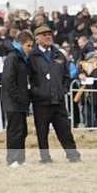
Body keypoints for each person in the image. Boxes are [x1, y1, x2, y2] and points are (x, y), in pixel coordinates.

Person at [28, 25, 81, 163]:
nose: (48, 36)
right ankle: (45, 158)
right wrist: (36, 92)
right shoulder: (32, 57)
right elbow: (28, 78)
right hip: (41, 102)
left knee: (65, 131)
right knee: (42, 132)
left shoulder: (59, 54)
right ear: (37, 38)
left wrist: (63, 89)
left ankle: (73, 156)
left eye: (49, 34)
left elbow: (66, 75)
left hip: (58, 100)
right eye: (44, 34)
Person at [1, 30, 33, 167]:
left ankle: (20, 159)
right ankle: (12, 159)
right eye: (28, 45)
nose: (30, 49)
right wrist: (19, 97)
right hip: (13, 102)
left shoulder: (20, 58)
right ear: (21, 44)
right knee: (15, 131)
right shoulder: (12, 58)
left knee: (22, 131)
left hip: (19, 102)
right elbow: (8, 81)